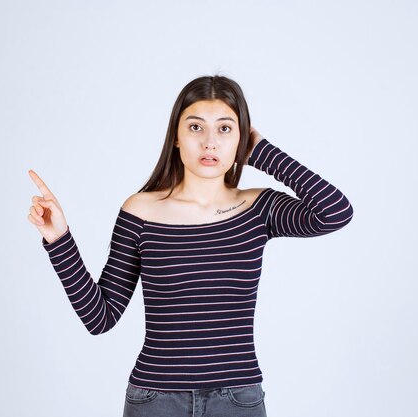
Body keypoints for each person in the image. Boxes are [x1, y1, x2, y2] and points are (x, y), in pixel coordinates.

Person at [27, 75, 353, 417]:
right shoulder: (140, 211)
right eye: (196, 127)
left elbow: (334, 212)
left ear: (241, 139)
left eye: (225, 129)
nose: (210, 142)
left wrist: (262, 152)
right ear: (177, 138)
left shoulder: (258, 208)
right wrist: (59, 239)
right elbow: (100, 317)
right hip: (155, 400)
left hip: (237, 400)